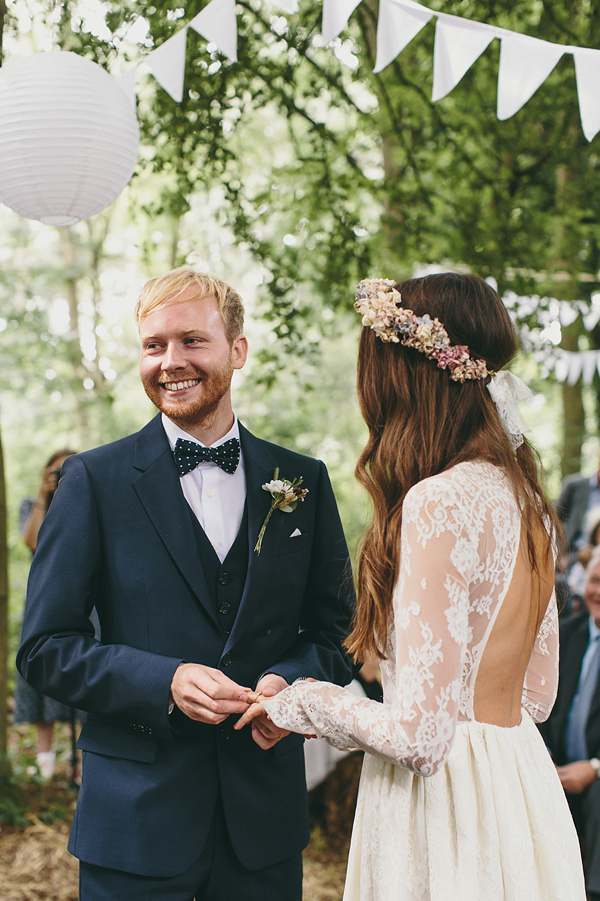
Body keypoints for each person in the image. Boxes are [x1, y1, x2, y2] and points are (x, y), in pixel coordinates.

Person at [237, 273, 586, 900]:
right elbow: (536, 695)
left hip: (444, 808)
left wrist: (301, 702)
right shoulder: (528, 501)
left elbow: (419, 737)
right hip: (518, 791)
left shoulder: (438, 502)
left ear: (402, 378)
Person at [17, 268, 355, 901]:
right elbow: (44, 650)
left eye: (192, 341)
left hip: (262, 831)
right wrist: (162, 680)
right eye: (154, 345)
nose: (170, 362)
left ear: (238, 349)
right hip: (134, 827)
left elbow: (337, 634)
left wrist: (289, 684)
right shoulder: (93, 481)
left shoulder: (302, 481)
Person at [539, 545, 600, 900]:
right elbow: (536, 706)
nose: (598, 592)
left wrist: (593, 767)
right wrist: (541, 754)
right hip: (553, 766)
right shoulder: (563, 634)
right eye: (594, 580)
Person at [14, 448, 76, 779]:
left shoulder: (88, 499)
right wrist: (43, 493)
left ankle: (79, 765)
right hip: (43, 599)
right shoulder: (33, 504)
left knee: (84, 672)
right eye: (56, 470)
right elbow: (32, 541)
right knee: (42, 672)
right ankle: (44, 765)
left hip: (86, 601)